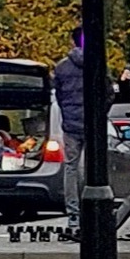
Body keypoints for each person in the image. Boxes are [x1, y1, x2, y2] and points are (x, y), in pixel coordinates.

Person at [54, 29, 87, 236]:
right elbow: (108, 92)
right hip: (93, 125)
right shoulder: (97, 64)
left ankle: (73, 214)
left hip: (71, 124)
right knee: (94, 170)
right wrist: (100, 113)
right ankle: (93, 209)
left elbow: (58, 95)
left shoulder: (62, 67)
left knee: (71, 168)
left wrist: (68, 113)